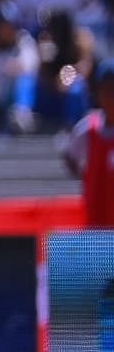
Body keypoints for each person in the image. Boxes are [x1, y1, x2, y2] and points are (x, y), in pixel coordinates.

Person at [62, 60, 114, 227]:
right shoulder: (87, 129)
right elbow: (69, 156)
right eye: (106, 90)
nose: (110, 96)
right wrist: (86, 176)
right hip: (95, 229)